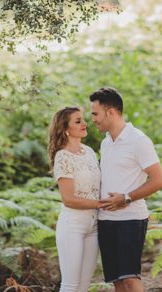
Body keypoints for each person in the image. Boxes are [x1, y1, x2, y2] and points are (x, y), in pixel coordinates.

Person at [90, 87, 162, 292]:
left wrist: (126, 198)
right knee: (117, 281)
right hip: (106, 220)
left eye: (95, 114)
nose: (93, 119)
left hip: (130, 219)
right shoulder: (106, 142)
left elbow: (159, 179)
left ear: (111, 112)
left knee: (130, 279)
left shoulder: (138, 140)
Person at [48, 106, 102, 292]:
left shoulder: (89, 152)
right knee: (71, 285)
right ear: (65, 128)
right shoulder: (62, 157)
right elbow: (68, 199)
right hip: (73, 226)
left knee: (84, 286)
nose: (84, 123)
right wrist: (101, 204)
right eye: (77, 121)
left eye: (83, 119)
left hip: (94, 226)